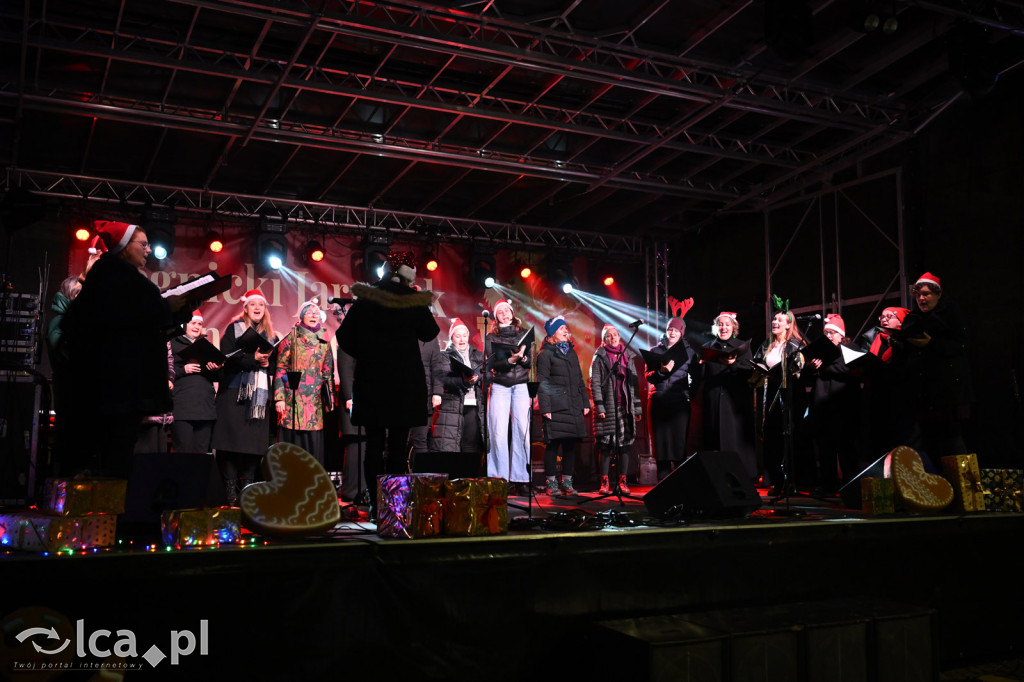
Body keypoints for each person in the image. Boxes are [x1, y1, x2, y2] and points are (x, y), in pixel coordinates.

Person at [60, 220, 188, 477]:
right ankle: (111, 512)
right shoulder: (117, 277)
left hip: (115, 389)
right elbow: (141, 317)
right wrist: (170, 308)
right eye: (143, 244)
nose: (148, 250)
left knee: (115, 453)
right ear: (124, 246)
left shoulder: (113, 276)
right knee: (115, 457)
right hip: (118, 389)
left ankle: (109, 509)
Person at [338, 251, 439, 518]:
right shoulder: (411, 299)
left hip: (372, 381)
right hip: (403, 384)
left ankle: (374, 505)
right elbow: (430, 332)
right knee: (397, 446)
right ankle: (393, 506)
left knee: (372, 444)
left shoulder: (368, 298)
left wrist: (369, 352)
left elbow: (344, 337)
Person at [211, 288, 278, 505]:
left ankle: (248, 489)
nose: (257, 308)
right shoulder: (234, 329)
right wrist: (253, 358)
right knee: (230, 444)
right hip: (233, 394)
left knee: (253, 445)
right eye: (253, 304)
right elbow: (227, 360)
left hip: (258, 399)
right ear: (246, 308)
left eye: (261, 304)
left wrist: (267, 363)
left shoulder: (272, 335)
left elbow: (275, 366)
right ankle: (230, 491)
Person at [901, 272, 973, 468]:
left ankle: (965, 491)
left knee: (953, 442)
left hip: (947, 392)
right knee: (927, 444)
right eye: (918, 295)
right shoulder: (914, 317)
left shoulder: (951, 314)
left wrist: (932, 344)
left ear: (938, 294)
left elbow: (962, 345)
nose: (922, 299)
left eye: (926, 294)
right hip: (923, 392)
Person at [751, 299, 806, 495]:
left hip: (786, 396)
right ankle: (775, 480)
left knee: (786, 438)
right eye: (774, 319)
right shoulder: (767, 345)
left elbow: (799, 372)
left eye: (780, 320)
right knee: (770, 439)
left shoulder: (795, 345)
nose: (775, 322)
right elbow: (756, 367)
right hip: (768, 395)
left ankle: (790, 481)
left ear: (789, 325)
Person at [805, 314, 863, 496]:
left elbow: (845, 370)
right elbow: (809, 377)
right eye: (826, 333)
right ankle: (828, 486)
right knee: (825, 450)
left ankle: (851, 487)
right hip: (823, 407)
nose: (828, 336)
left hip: (844, 407)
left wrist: (823, 368)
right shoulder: (820, 351)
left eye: (832, 333)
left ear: (841, 335)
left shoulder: (850, 349)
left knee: (846, 450)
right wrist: (812, 368)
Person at [273, 298, 336, 466]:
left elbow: (328, 373)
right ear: (301, 316)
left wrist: (330, 399)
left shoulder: (324, 343)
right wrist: (279, 397)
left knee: (312, 446)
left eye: (316, 313)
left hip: (314, 402)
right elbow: (280, 368)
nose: (313, 315)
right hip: (292, 399)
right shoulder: (290, 338)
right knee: (292, 444)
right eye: (309, 312)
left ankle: (312, 484)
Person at [425, 318, 487, 478]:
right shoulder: (444, 356)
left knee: (470, 446)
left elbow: (489, 376)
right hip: (451, 406)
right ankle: (451, 485)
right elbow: (443, 378)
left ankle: (468, 483)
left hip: (473, 406)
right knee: (450, 447)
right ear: (452, 337)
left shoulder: (478, 355)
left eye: (464, 335)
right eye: (457, 336)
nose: (461, 339)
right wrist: (463, 381)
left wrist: (479, 378)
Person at [484, 299, 533, 495]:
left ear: (512, 313)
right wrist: (511, 360)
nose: (505, 313)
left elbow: (532, 360)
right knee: (497, 431)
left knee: (523, 430)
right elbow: (492, 363)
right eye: (501, 311)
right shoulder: (490, 336)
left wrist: (525, 358)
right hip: (500, 385)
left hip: (521, 385)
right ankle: (499, 479)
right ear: (496, 317)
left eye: (507, 310)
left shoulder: (523, 333)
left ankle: (522, 479)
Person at [699, 312, 756, 481]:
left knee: (735, 439)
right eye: (720, 325)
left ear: (734, 327)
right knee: (714, 439)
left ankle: (741, 477)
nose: (723, 328)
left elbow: (748, 373)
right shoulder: (708, 347)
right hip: (714, 400)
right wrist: (700, 364)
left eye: (727, 324)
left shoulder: (742, 346)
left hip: (735, 402)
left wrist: (732, 365)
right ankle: (716, 477)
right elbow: (702, 377)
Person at [537, 316, 590, 495]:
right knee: (553, 445)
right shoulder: (545, 354)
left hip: (573, 405)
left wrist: (585, 401)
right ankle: (551, 484)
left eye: (566, 328)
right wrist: (545, 408)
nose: (566, 331)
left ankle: (567, 483)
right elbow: (542, 382)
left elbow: (579, 380)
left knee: (570, 445)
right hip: (555, 406)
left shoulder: (572, 353)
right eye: (561, 329)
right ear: (552, 334)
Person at [589, 324, 642, 494]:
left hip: (624, 407)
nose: (613, 338)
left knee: (624, 445)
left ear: (620, 337)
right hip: (607, 407)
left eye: (615, 335)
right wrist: (599, 405)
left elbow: (634, 383)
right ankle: (604, 482)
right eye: (609, 336)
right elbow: (595, 383)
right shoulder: (599, 357)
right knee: (605, 445)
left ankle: (623, 481)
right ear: (604, 340)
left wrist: (637, 407)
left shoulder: (627, 356)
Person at [646, 315, 698, 481]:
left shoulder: (689, 352)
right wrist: (662, 372)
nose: (672, 333)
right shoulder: (656, 351)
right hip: (659, 402)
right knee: (661, 448)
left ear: (682, 333)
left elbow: (697, 377)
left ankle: (680, 486)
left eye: (676, 330)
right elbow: (649, 377)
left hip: (679, 404)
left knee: (678, 447)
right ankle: (662, 487)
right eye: (670, 329)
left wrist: (690, 394)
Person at [860, 306, 915, 457]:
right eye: (882, 317)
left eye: (889, 316)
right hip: (876, 399)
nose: (884, 319)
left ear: (901, 321)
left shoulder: (907, 341)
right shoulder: (873, 340)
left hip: (899, 399)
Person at [170, 310, 221, 453]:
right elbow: (164, 371)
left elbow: (218, 377)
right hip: (183, 406)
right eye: (193, 323)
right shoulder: (173, 344)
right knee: (183, 451)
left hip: (205, 408)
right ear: (184, 324)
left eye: (200, 324)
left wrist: (215, 369)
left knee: (201, 452)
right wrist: (183, 369)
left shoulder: (206, 346)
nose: (197, 327)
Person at [409, 327, 447, 469]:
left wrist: (437, 392)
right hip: (401, 397)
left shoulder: (430, 339)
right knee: (396, 442)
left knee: (420, 441)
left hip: (424, 397)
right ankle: (397, 483)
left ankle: (420, 481)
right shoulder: (399, 334)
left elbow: (437, 366)